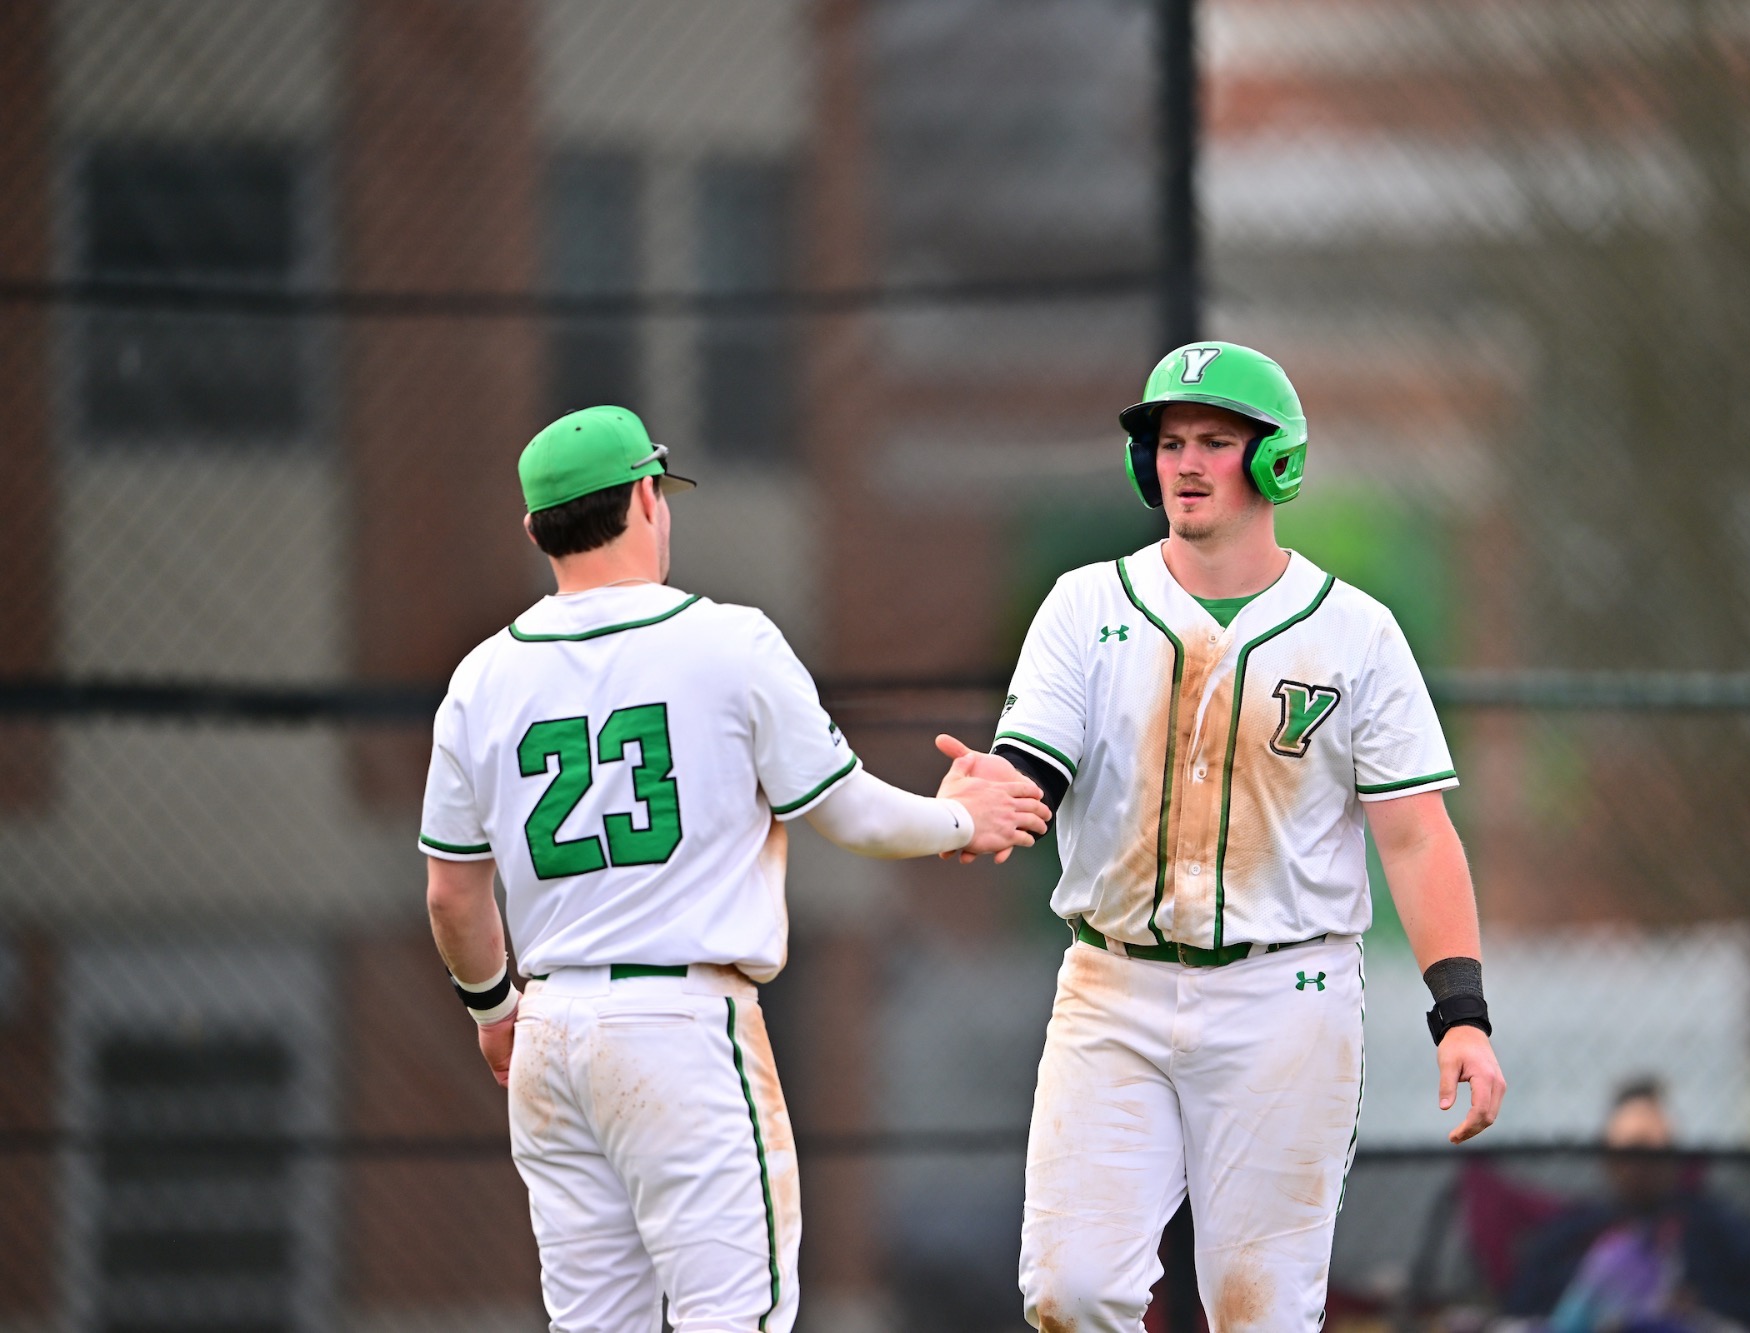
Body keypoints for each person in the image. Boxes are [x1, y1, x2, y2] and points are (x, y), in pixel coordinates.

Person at [419, 405, 1049, 1333]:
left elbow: (451, 891)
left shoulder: (480, 677)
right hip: (680, 1024)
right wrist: (962, 814)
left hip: (551, 1028)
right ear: (645, 495)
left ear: (533, 530)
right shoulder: (728, 640)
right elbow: (846, 809)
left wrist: (492, 1008)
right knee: (735, 1316)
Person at [949, 342, 1507, 1332]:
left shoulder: (1355, 632)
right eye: (1168, 443)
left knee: (1259, 1312)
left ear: (1275, 461)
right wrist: (986, 797)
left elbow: (1416, 838)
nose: (1186, 463)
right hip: (1111, 986)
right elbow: (1033, 765)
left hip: (1282, 998)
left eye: (1214, 440)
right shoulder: (1086, 606)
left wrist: (1458, 1012)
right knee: (1068, 1291)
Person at [1503, 1079, 1750, 1332]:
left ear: (1674, 1156)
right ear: (1608, 1161)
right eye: (1629, 1153)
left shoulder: (1721, 1231)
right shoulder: (1571, 1234)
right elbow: (1525, 1308)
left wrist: (1700, 1304)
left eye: (1653, 1152)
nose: (1640, 1167)